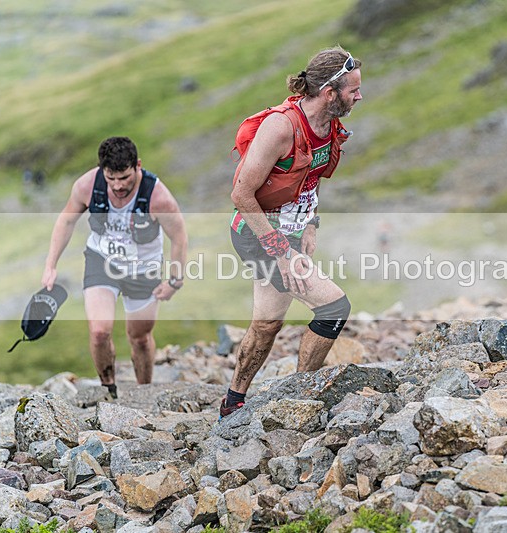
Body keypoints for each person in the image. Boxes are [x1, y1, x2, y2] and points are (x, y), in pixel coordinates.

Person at [223, 46, 362, 418]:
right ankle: (299, 399)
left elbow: (310, 179)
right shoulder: (281, 127)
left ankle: (232, 402)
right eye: (353, 90)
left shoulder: (328, 125)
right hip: (259, 233)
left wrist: (312, 223)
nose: (359, 96)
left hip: (291, 236)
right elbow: (241, 194)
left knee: (267, 324)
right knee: (334, 308)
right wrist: (283, 253)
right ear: (330, 93)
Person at [42, 136, 188, 398]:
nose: (118, 186)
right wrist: (51, 264)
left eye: (125, 178)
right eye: (111, 178)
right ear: (102, 171)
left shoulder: (158, 197)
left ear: (137, 166)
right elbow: (66, 221)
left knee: (140, 337)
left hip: (143, 268)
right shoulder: (87, 185)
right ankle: (108, 390)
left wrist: (175, 281)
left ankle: (144, 391)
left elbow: (179, 237)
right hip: (101, 260)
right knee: (99, 331)